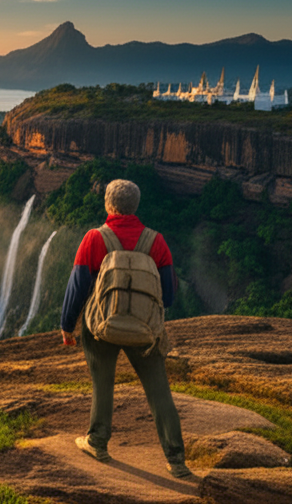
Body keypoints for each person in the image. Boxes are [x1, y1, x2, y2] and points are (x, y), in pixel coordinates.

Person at [59, 179, 191, 478]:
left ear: (108, 204)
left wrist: (68, 326)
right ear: (136, 205)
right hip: (145, 329)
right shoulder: (156, 242)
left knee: (102, 384)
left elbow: (78, 287)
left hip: (101, 327)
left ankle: (98, 442)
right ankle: (176, 459)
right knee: (159, 391)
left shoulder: (95, 238)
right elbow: (168, 294)